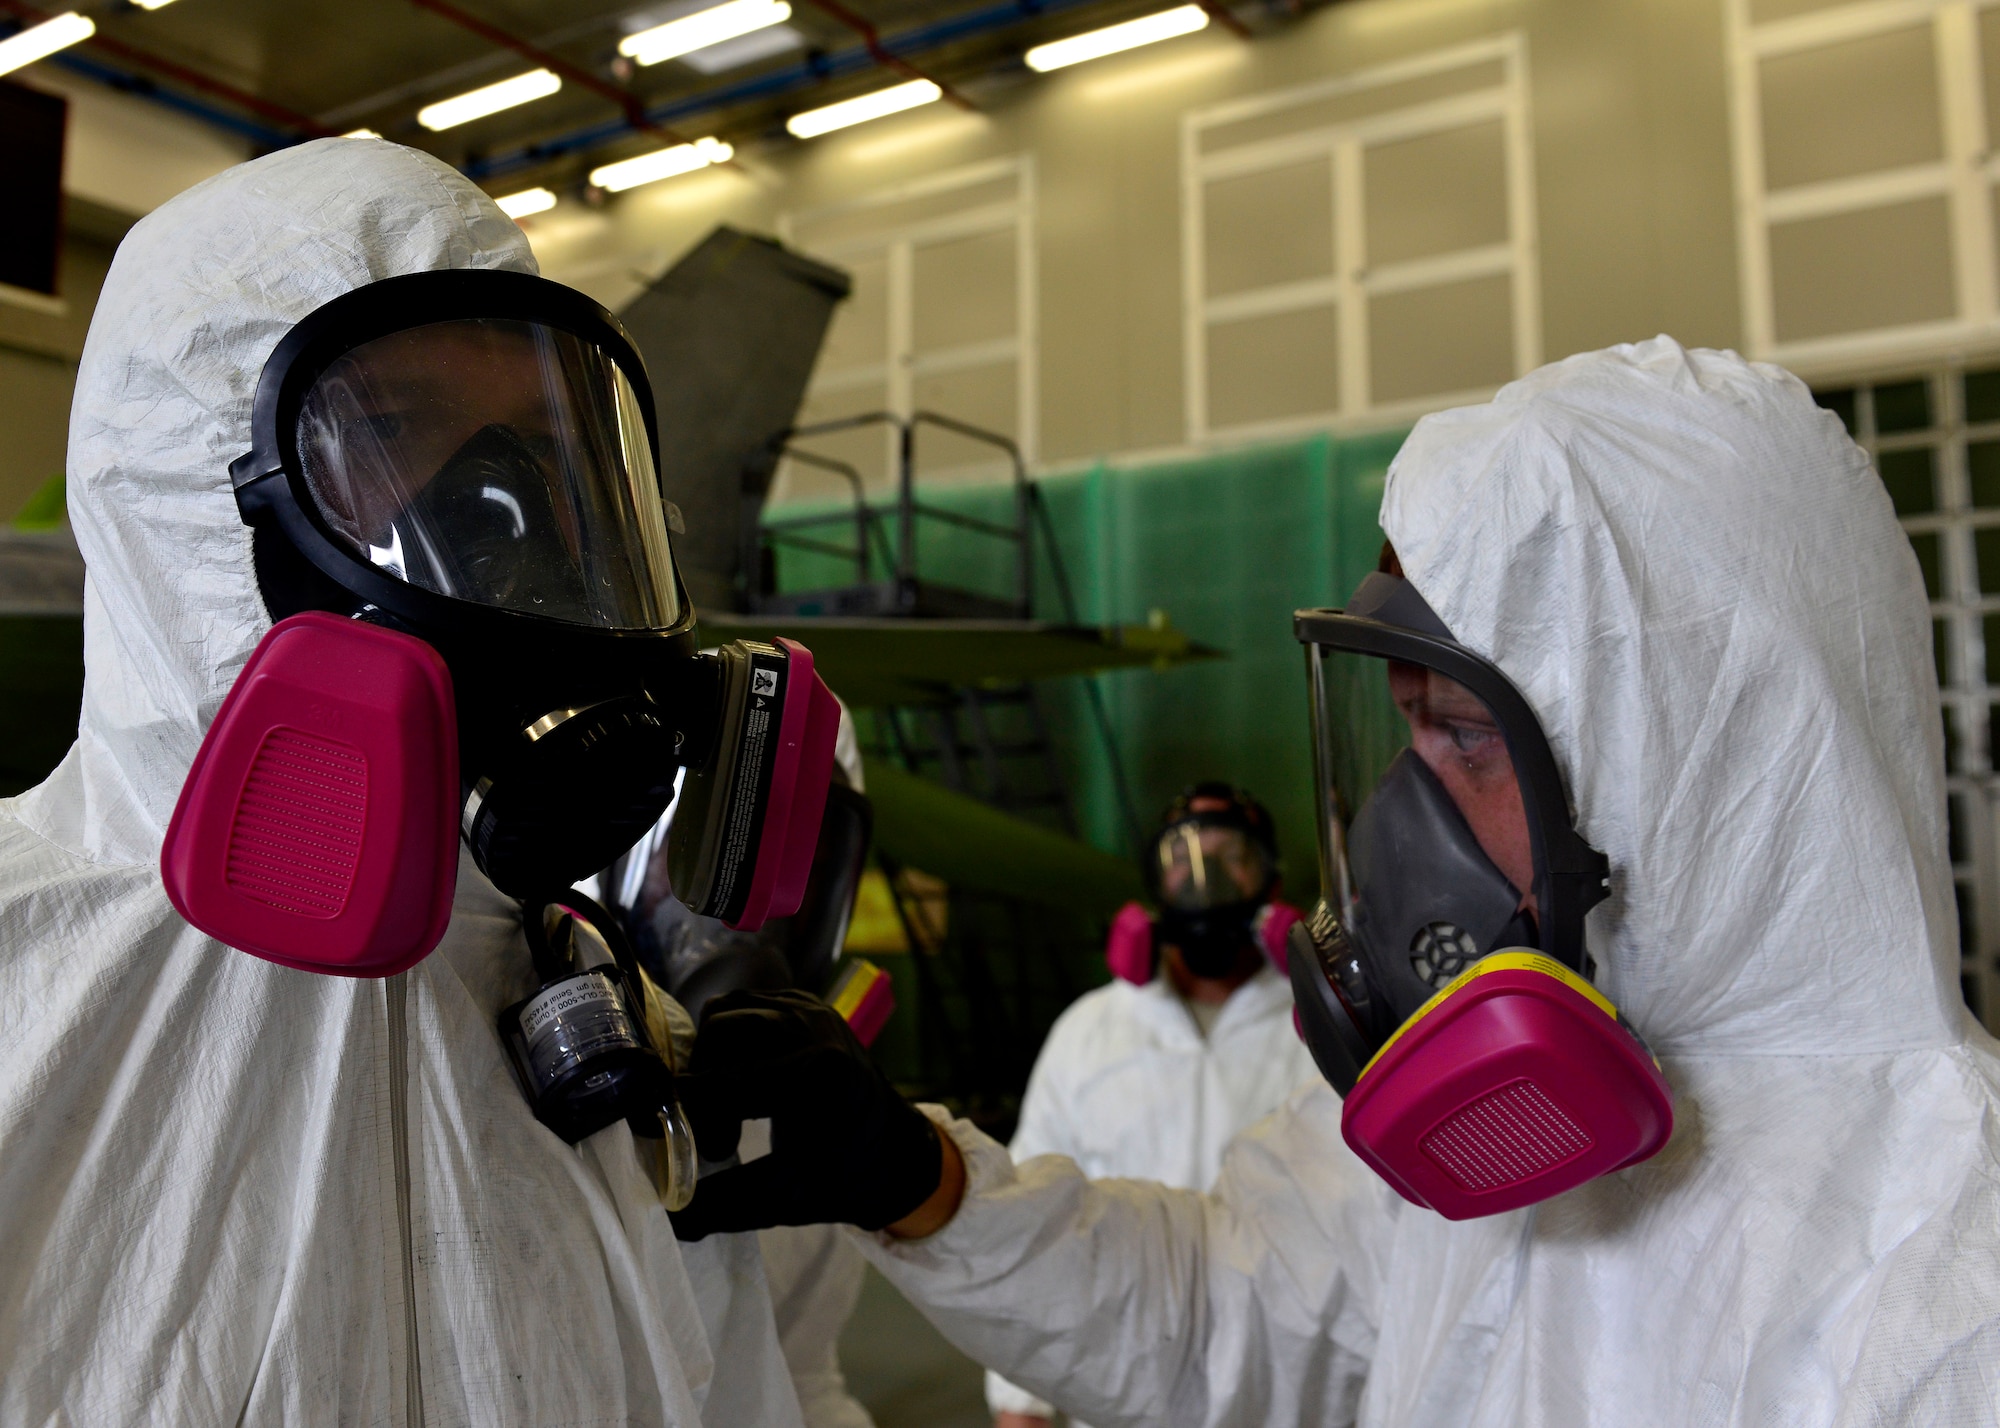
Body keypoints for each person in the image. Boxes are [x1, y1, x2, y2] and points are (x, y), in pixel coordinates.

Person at [679, 337, 2000, 1423]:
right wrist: (912, 1175)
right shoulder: (1486, 1133)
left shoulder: (1949, 1279)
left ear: (1691, 757)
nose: (1396, 826)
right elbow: (1217, 1312)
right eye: (1405, 733)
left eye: (1463, 738)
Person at [0, 138, 949, 1424]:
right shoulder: (25, 979)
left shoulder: (622, 1045)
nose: (508, 517)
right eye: (391, 429)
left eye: (539, 446)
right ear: (186, 497)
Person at [988, 783, 1317, 1428]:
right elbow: (1027, 1216)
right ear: (1154, 882)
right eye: (1185, 859)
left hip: (1286, 1388)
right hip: (1122, 1390)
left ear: (1270, 879)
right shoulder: (1090, 1032)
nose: (1206, 879)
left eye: (1233, 858)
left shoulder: (1318, 1030)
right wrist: (1020, 1402)